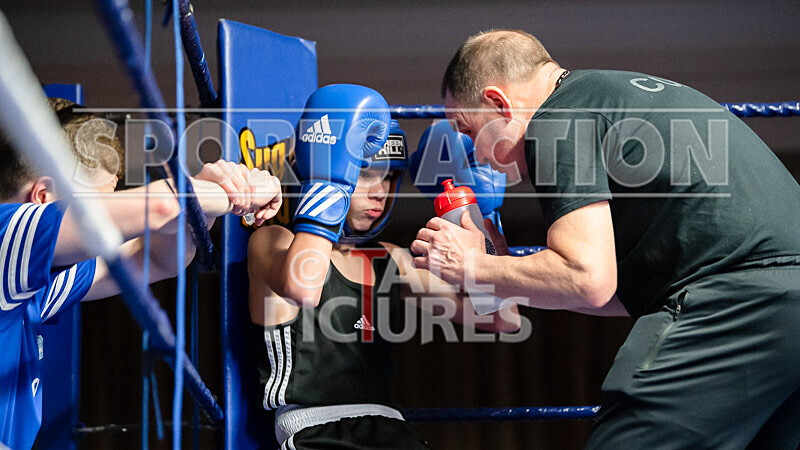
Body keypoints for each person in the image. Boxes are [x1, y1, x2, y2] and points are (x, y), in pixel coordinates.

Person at [411, 29, 800, 448]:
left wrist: (468, 264)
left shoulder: (557, 118)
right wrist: (501, 271)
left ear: (498, 103)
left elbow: (586, 279)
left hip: (736, 300)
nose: (476, 154)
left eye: (468, 131)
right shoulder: (612, 95)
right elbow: (611, 291)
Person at [247, 85, 520, 449]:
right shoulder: (273, 241)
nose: (380, 190)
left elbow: (503, 318)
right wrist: (328, 181)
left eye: (389, 176)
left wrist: (478, 217)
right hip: (318, 432)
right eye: (364, 173)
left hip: (394, 430)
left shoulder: (390, 260)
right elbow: (303, 288)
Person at [0, 98, 282, 449]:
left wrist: (204, 200)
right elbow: (162, 206)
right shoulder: (5, 236)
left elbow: (156, 256)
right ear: (43, 196)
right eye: (95, 203)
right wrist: (236, 192)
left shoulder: (37, 285)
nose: (108, 220)